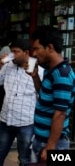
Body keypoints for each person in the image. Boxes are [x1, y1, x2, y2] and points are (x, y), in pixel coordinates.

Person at [0, 39, 43, 166]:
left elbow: (42, 94)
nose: (12, 55)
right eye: (11, 51)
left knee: (25, 159)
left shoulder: (38, 69)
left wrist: (35, 77)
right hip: (6, 120)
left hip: (26, 122)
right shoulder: (7, 66)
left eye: (16, 52)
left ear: (26, 52)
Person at [30, 26, 75, 163]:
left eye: (37, 48)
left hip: (54, 145)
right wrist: (35, 77)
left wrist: (50, 147)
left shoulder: (62, 75)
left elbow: (60, 113)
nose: (34, 53)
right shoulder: (52, 70)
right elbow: (44, 96)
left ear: (49, 47)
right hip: (42, 140)